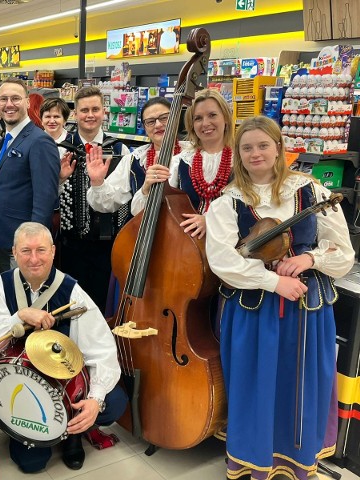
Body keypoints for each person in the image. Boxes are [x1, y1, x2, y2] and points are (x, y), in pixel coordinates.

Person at [205, 116, 354, 480]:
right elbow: (222, 260)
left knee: (300, 381)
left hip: (307, 306)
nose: (255, 153)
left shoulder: (312, 191)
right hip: (254, 307)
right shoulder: (228, 201)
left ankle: (298, 459)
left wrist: (309, 258)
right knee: (255, 382)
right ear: (238, 154)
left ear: (278, 148)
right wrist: (273, 282)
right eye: (247, 147)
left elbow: (343, 252)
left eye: (263, 145)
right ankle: (253, 461)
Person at [0, 222, 127, 472]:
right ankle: (25, 423)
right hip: (21, 387)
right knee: (31, 465)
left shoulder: (73, 292)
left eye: (41, 250)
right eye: (26, 251)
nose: (34, 259)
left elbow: (101, 349)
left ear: (53, 251)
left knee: (113, 402)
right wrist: (18, 316)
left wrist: (94, 399)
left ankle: (73, 434)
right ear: (14, 253)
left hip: (66, 387)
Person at [58, 86, 130, 311]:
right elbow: (47, 196)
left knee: (102, 303)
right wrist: (59, 181)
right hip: (70, 242)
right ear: (75, 114)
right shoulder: (62, 149)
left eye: (95, 109)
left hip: (108, 244)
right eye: (84, 110)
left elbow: (127, 195)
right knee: (71, 304)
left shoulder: (120, 149)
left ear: (104, 112)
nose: (90, 115)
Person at [133, 89, 234, 238]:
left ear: (225, 118)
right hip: (186, 248)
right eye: (198, 118)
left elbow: (253, 207)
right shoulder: (180, 161)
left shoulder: (241, 159)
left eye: (212, 115)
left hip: (231, 247)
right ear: (191, 124)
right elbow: (140, 212)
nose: (205, 123)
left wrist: (211, 221)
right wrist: (148, 188)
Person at [0, 77, 60, 273]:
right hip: (3, 237)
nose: (9, 104)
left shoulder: (40, 141)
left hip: (22, 244)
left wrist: (32, 245)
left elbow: (44, 199)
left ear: (28, 102)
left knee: (23, 298)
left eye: (15, 98)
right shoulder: (7, 139)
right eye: (3, 99)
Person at [87, 96, 190, 215]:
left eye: (164, 118)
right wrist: (98, 183)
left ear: (175, 119)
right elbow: (108, 202)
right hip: (140, 230)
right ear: (145, 128)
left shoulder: (193, 154)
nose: (157, 125)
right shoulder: (134, 159)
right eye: (150, 121)